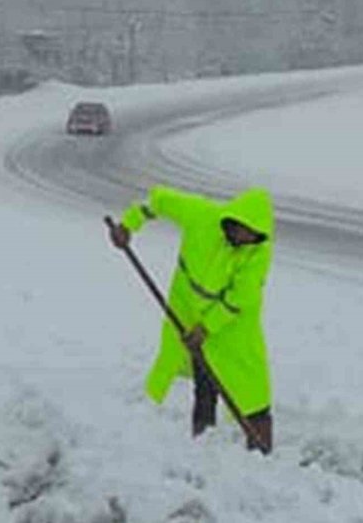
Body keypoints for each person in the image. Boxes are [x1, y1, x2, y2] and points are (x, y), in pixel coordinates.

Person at [110, 185, 275, 454]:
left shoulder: (258, 251)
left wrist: (208, 327)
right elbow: (158, 201)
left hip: (234, 322)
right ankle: (202, 442)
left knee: (252, 385)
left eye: (255, 236)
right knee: (205, 381)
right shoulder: (201, 215)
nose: (248, 240)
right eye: (247, 232)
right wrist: (129, 225)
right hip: (189, 311)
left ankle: (262, 449)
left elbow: (239, 297)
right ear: (236, 220)